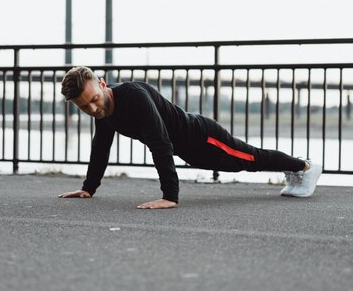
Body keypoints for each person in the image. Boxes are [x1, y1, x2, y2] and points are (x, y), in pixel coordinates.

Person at [58, 66, 322, 209]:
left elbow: (160, 143)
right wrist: (88, 188)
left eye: (94, 100)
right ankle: (296, 169)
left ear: (102, 84)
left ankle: (305, 167)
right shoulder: (103, 111)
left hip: (203, 137)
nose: (93, 109)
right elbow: (101, 147)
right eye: (84, 107)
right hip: (189, 150)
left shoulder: (133, 97)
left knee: (250, 158)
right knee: (242, 162)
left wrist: (169, 196)